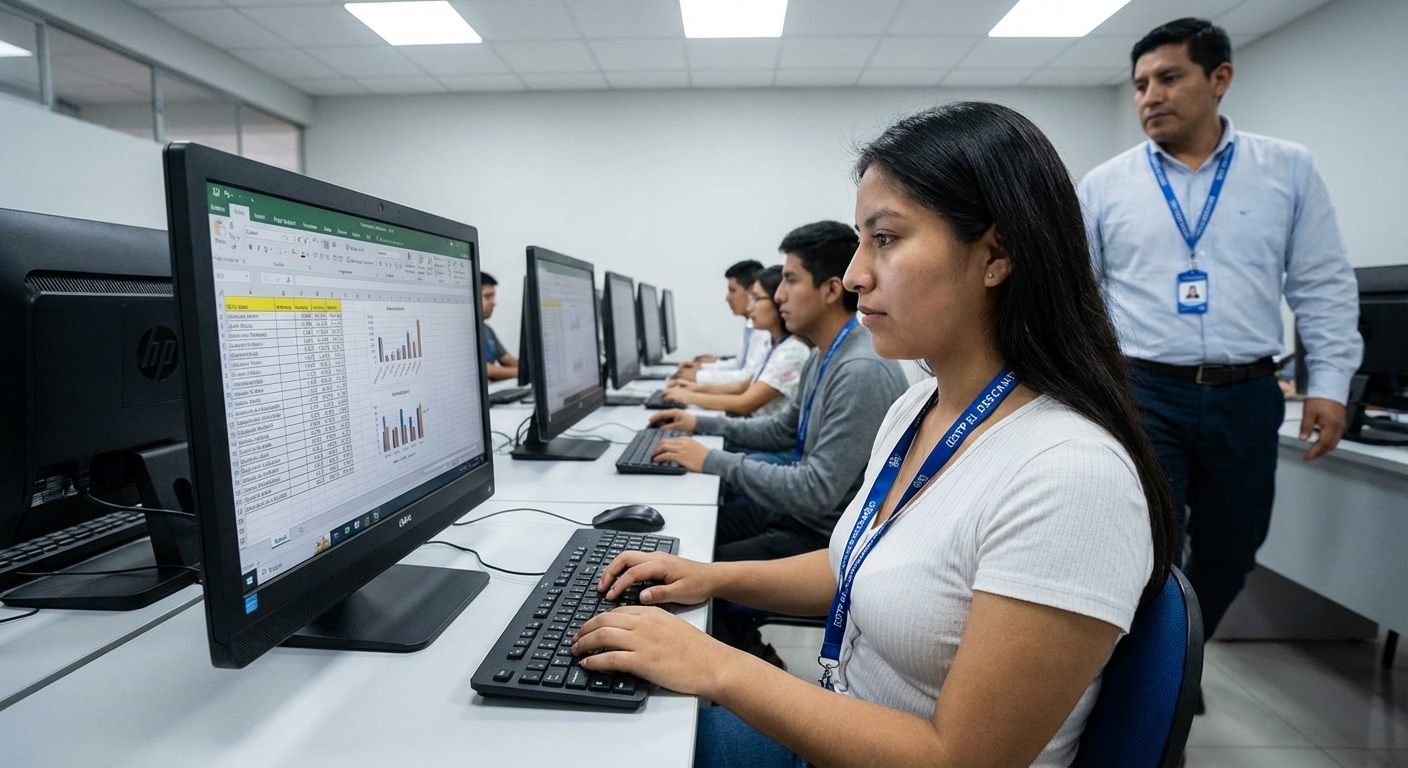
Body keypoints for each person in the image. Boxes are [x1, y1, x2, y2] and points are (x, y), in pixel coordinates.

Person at [568, 102, 1177, 768]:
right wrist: (708, 577)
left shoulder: (1070, 476)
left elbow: (960, 760)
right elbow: (855, 564)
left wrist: (719, 668)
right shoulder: (918, 408)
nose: (856, 275)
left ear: (996, 254)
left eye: (885, 239)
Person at [1078, 18, 1362, 690]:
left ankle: (1181, 652)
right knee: (1149, 547)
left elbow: (1321, 281)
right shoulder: (1106, 184)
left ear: (1219, 79)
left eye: (1169, 77)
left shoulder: (1285, 169)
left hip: (1247, 391)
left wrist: (1329, 382)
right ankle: (1151, 681)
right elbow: (1080, 295)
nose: (1150, 95)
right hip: (1145, 388)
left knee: (1236, 550)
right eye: (1141, 83)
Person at [649, 222, 908, 564]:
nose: (779, 296)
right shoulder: (823, 355)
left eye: (790, 280)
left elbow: (816, 491)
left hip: (822, 541)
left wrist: (710, 459)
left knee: (689, 569)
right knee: (674, 532)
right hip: (797, 518)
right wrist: (698, 424)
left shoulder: (861, 369)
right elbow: (781, 430)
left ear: (831, 290)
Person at [663, 266, 813, 419]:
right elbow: (743, 386)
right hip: (752, 428)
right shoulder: (774, 345)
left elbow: (744, 404)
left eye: (756, 299)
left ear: (778, 302)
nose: (749, 307)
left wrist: (689, 397)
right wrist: (693, 389)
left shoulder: (792, 352)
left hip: (761, 436)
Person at [674, 260, 771, 384]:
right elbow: (739, 364)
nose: (727, 297)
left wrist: (698, 376)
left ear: (752, 291)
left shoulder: (764, 330)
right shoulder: (750, 325)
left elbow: (747, 378)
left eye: (732, 290)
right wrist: (702, 367)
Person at [479, 272, 519, 382]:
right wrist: (523, 372)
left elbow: (507, 359)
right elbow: (485, 370)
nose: (493, 302)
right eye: (487, 297)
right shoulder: (459, 333)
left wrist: (534, 368)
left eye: (493, 296)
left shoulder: (487, 330)